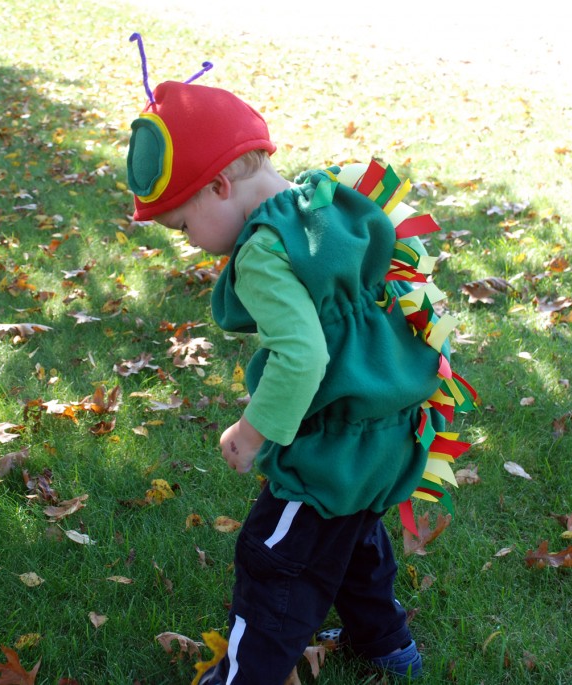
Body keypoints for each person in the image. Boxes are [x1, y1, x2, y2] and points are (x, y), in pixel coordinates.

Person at [125, 37, 477, 684]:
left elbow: (302, 353)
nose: (189, 244)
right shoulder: (325, 197)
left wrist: (252, 431)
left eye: (181, 227)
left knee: (273, 560)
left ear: (221, 185)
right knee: (351, 540)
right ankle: (388, 644)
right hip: (391, 428)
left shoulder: (262, 251)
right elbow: (398, 281)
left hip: (329, 445)